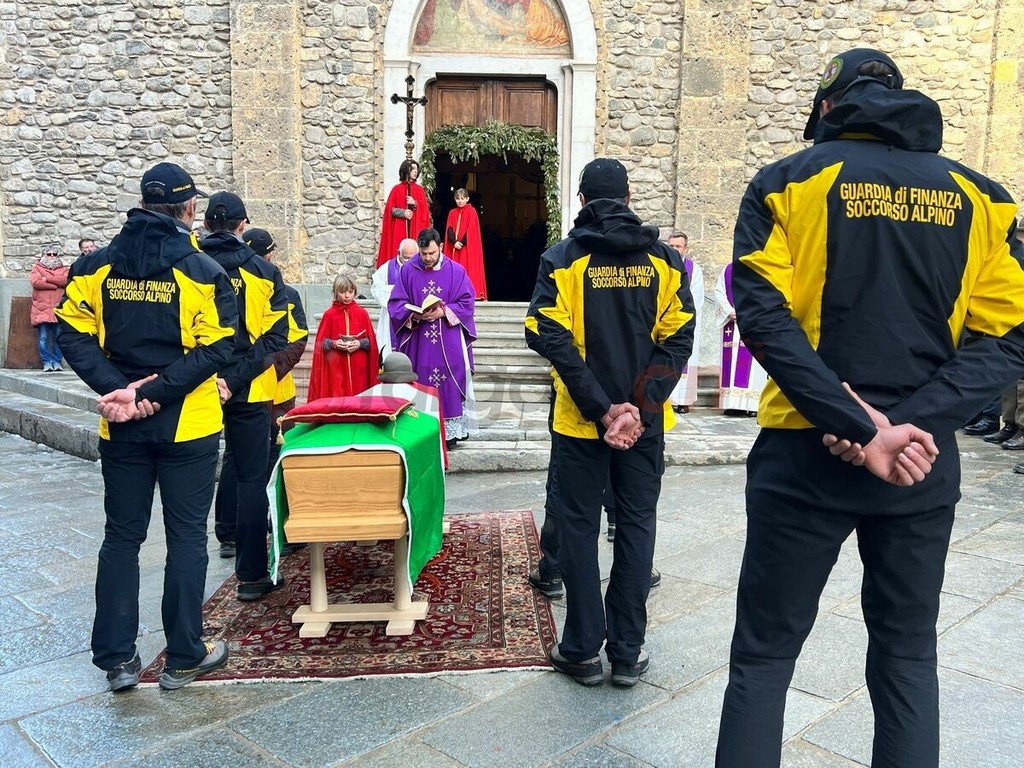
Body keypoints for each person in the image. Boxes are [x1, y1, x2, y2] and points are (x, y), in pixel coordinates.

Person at [715, 48, 1024, 768]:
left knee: (764, 656)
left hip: (804, 451)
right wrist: (908, 426)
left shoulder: (787, 182)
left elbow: (763, 317)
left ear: (827, 108)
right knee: (907, 654)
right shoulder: (982, 198)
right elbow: (1011, 334)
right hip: (921, 459)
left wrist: (859, 426)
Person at [55, 161, 238, 691]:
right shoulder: (202, 270)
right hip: (188, 424)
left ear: (141, 203)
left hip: (121, 424)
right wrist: (151, 392)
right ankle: (184, 655)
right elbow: (218, 346)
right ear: (190, 209)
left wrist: (120, 390)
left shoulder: (95, 266)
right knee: (186, 538)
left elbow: (70, 331)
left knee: (121, 536)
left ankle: (117, 659)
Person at [525, 158, 694, 687]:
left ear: (581, 201)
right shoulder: (665, 261)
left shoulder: (562, 259)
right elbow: (679, 338)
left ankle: (580, 648)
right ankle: (627, 650)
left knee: (578, 527)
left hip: (581, 424)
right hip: (644, 426)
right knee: (637, 524)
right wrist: (638, 407)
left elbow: (546, 334)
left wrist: (602, 409)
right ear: (628, 198)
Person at [202, 192, 289, 602]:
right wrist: (234, 380)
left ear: (205, 223)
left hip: (195, 384)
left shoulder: (186, 263)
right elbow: (276, 336)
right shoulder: (263, 272)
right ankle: (252, 575)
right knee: (252, 478)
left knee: (196, 482)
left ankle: (216, 544)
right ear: (242, 226)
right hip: (249, 385)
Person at [214, 228, 309, 560]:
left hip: (251, 385)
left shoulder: (210, 272)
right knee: (251, 465)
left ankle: (265, 525)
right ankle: (236, 533)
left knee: (256, 458)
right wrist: (269, 368)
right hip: (260, 388)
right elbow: (288, 337)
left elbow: (296, 339)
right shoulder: (274, 284)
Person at [388, 227, 477, 447]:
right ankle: (421, 432)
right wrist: (414, 314)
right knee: (420, 380)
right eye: (424, 253)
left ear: (441, 247)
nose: (427, 258)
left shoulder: (456, 271)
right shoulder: (408, 271)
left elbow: (467, 303)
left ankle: (449, 435)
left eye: (432, 253)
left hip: (448, 338)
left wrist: (443, 311)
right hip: (419, 341)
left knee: (450, 382)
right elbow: (396, 304)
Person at [308, 274, 379, 400]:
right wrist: (334, 343)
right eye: (342, 292)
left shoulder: (362, 314)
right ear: (336, 292)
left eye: (350, 292)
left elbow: (371, 343)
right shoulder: (329, 315)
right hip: (336, 367)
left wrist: (360, 344)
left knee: (359, 398)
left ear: (355, 292)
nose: (347, 296)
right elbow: (321, 343)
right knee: (338, 399)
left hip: (359, 366)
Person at [715, 262, 767, 415]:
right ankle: (732, 403)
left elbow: (765, 293)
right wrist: (729, 312)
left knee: (753, 364)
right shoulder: (727, 269)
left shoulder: (762, 266)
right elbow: (719, 291)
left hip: (753, 322)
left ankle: (752, 405)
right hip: (731, 323)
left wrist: (749, 314)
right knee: (730, 362)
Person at [666, 232, 704, 413]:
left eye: (678, 246)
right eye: (671, 246)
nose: (674, 249)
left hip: (685, 320)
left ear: (685, 249)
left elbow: (696, 297)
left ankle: (683, 400)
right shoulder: (661, 265)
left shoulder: (694, 270)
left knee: (685, 358)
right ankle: (666, 399)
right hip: (665, 321)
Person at [370, 237, 418, 363]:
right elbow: (376, 289)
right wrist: (396, 292)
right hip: (392, 317)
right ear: (398, 253)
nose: (409, 261)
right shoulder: (387, 268)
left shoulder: (420, 267)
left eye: (413, 257)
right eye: (406, 257)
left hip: (414, 317)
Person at [376, 159, 431, 268]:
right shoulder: (396, 189)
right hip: (399, 228)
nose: (416, 171)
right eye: (413, 169)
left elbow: (425, 211)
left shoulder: (420, 190)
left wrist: (415, 203)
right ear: (406, 170)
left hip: (414, 229)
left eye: (417, 169)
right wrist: (403, 213)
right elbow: (390, 210)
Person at [30, 243, 69, 372]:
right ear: (44, 255)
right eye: (49, 254)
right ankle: (47, 362)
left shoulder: (64, 268)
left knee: (59, 338)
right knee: (43, 338)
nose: (52, 256)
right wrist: (55, 284)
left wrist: (46, 278)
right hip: (42, 308)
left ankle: (57, 362)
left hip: (58, 308)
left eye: (54, 254)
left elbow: (66, 281)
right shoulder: (37, 267)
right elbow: (36, 282)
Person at [444, 188, 488, 300]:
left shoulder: (472, 211)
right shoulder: (452, 213)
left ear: (467, 199)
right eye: (457, 198)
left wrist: (461, 243)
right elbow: (449, 229)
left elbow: (471, 230)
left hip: (466, 248)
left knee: (468, 268)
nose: (460, 201)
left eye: (462, 198)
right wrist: (454, 242)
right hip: (455, 247)